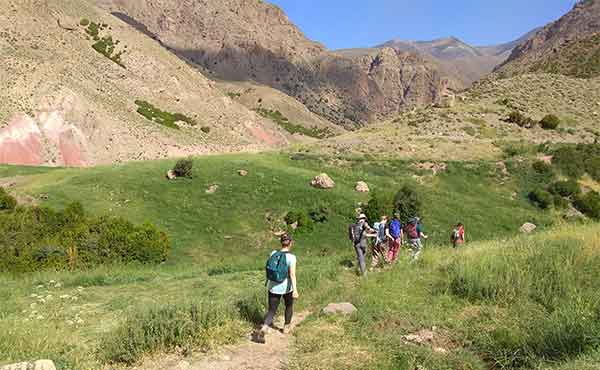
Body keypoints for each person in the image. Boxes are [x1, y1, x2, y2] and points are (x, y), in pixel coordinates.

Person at [260, 233, 298, 337]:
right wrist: (295, 290)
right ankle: (286, 328)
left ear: (281, 243)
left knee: (272, 310)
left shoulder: (273, 253)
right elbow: (292, 274)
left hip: (273, 286)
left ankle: (264, 327)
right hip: (286, 288)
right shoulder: (292, 257)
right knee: (289, 306)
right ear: (290, 243)